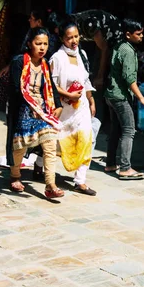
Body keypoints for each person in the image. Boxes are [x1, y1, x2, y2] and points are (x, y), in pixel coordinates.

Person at [6, 27, 64, 199]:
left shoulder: (45, 64)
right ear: (29, 43)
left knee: (50, 145)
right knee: (20, 145)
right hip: (23, 110)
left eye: (45, 44)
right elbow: (17, 89)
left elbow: (51, 88)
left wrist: (58, 106)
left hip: (43, 111)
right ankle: (15, 175)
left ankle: (50, 184)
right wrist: (32, 107)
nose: (42, 48)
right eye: (38, 43)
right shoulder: (19, 62)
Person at [49, 22, 97, 196]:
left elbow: (86, 81)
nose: (74, 40)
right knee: (56, 143)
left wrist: (91, 101)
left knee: (86, 139)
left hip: (81, 108)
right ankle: (40, 166)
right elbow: (51, 85)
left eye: (76, 36)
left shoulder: (82, 54)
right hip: (64, 110)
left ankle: (80, 181)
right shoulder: (57, 58)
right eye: (70, 38)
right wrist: (68, 96)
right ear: (62, 38)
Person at [104, 19, 144, 180]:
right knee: (129, 130)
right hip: (120, 97)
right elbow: (129, 78)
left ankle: (110, 163)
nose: (141, 36)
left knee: (116, 129)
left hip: (111, 94)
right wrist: (141, 98)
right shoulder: (128, 52)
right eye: (138, 34)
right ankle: (125, 168)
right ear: (128, 34)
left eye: (142, 33)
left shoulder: (120, 46)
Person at [67, 10, 124, 90]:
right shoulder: (69, 26)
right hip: (99, 40)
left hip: (113, 37)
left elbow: (104, 49)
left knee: (109, 72)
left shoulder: (88, 23)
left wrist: (100, 76)